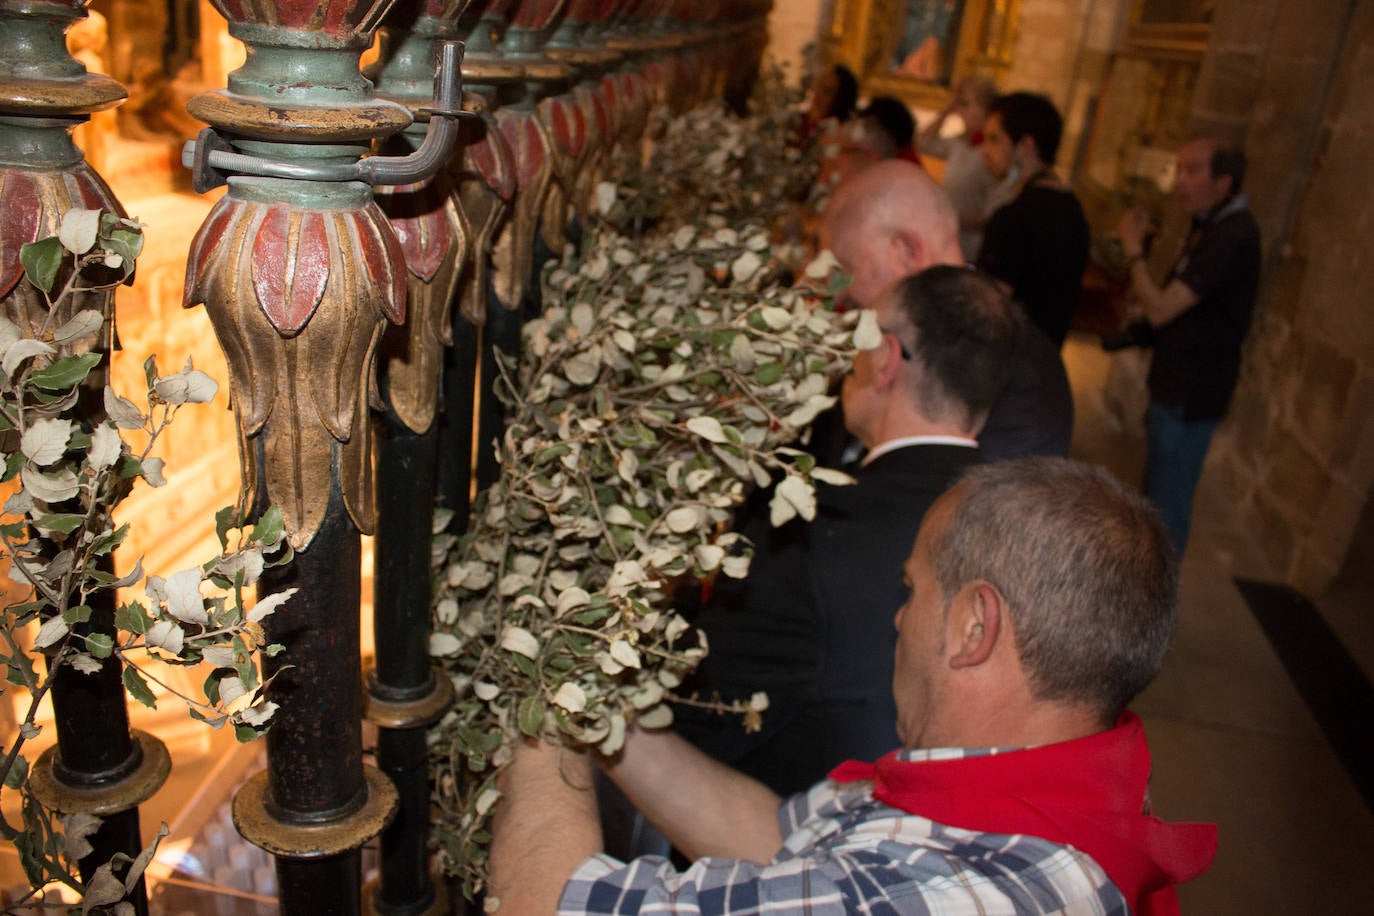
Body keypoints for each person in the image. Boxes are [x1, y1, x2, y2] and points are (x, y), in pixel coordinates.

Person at [488, 458, 1219, 915]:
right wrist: (600, 710)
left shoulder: (964, 898)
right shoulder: (1030, 785)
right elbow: (779, 838)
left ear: (973, 627)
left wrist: (541, 699)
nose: (898, 619)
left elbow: (539, 904)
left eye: (913, 589)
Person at [673, 266, 1019, 797]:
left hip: (787, 846)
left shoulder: (812, 532)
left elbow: (698, 711)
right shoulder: (1027, 522)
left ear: (883, 358)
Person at [825, 160, 1073, 460]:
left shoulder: (1020, 377)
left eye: (847, 270)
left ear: (906, 251)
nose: (841, 292)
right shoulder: (907, 333)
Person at [1117, 138, 1260, 554]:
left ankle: (1154, 608)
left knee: (1166, 511)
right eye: (1177, 169)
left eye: (1192, 171)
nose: (1179, 181)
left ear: (1223, 182)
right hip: (1175, 385)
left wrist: (1132, 250)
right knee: (1154, 502)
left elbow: (1162, 310)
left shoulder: (1233, 235)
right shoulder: (1209, 226)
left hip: (1191, 393)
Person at [977, 91, 1090, 348]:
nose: (984, 151)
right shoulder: (1073, 208)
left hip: (1010, 366)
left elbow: (987, 312)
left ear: (1026, 146)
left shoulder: (1013, 217)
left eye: (994, 139)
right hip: (1047, 363)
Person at [917, 75, 1018, 261]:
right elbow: (924, 143)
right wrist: (947, 109)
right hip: (949, 239)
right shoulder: (961, 143)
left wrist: (950, 218)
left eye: (965, 104)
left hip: (971, 248)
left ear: (985, 109)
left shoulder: (993, 154)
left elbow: (993, 214)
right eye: (958, 104)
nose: (959, 111)